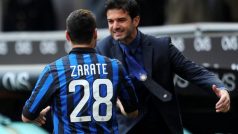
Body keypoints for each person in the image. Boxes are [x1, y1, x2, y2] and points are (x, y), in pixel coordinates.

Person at [95, 0, 231, 133]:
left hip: (162, 125)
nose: (115, 26)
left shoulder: (161, 46)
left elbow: (193, 71)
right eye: (110, 21)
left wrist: (221, 88)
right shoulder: (102, 49)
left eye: (121, 20)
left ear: (136, 20)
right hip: (125, 127)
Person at [21, 9, 138, 134]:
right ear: (95, 34)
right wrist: (118, 103)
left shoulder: (54, 70)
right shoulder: (115, 67)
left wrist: (35, 116)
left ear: (67, 36)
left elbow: (27, 116)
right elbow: (132, 112)